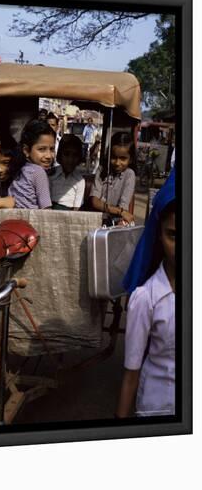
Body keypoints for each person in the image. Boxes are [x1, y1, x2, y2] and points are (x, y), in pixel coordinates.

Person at [116, 170, 175, 418]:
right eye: (173, 235)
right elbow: (132, 372)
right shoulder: (146, 297)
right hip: (157, 410)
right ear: (159, 236)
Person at [90, 131, 136, 224]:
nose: (117, 163)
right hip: (97, 218)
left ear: (130, 159)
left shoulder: (129, 175)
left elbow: (123, 206)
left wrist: (120, 213)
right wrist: (120, 211)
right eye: (114, 157)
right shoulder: (102, 169)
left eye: (123, 158)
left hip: (115, 221)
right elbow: (95, 202)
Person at [8, 119, 55, 209]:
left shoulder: (21, 168)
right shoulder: (38, 172)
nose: (49, 156)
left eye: (52, 149)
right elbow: (46, 210)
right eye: (42, 149)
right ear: (26, 150)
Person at [49, 134, 85, 210]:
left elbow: (76, 209)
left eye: (75, 155)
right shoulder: (51, 174)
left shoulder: (80, 181)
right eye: (66, 154)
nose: (70, 160)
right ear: (60, 155)